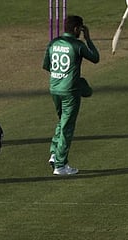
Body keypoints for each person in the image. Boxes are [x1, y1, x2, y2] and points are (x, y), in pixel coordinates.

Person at [43, 15, 99, 176]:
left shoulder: (53, 42)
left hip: (55, 88)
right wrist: (88, 39)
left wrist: (61, 76)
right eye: (81, 30)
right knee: (67, 127)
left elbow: (47, 66)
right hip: (70, 92)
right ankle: (60, 165)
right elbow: (95, 58)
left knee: (62, 121)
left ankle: (54, 153)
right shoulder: (77, 45)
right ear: (76, 29)